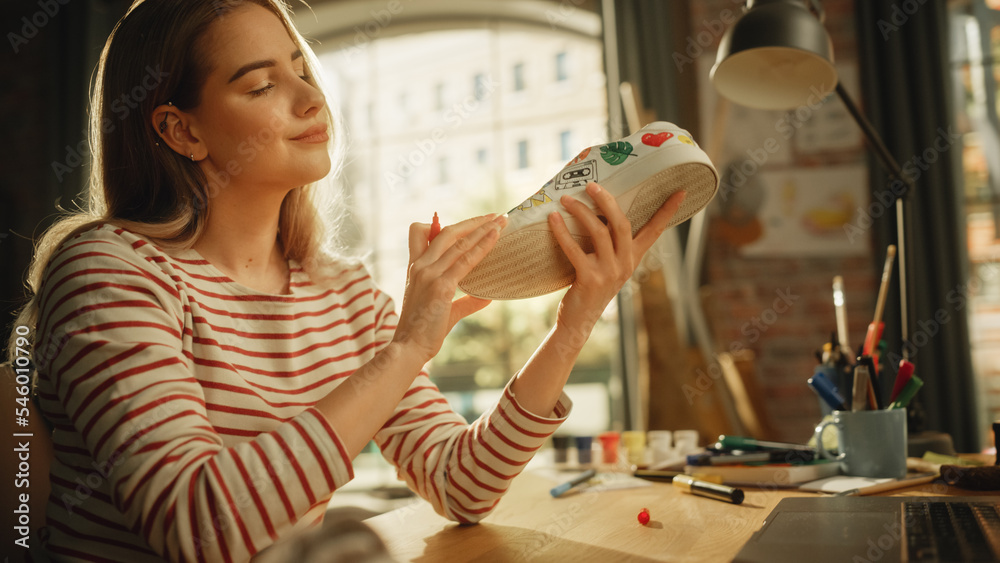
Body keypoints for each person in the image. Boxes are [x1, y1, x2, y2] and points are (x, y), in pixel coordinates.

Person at [7, 0, 685, 561]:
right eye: (262, 83)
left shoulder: (342, 293)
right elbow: (199, 526)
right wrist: (405, 349)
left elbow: (462, 485)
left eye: (302, 69)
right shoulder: (110, 272)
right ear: (180, 129)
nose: (310, 98)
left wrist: (575, 322)